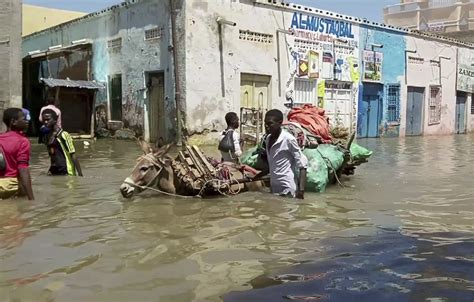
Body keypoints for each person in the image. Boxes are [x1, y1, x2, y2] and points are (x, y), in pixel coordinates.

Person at [255, 109, 307, 199]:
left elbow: (302, 166)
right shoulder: (268, 139)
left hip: (287, 188)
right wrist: (256, 176)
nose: (266, 126)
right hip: (274, 188)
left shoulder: (288, 140)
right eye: (265, 123)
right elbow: (272, 164)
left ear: (279, 123)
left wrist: (301, 191)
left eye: (270, 124)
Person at [0, 108, 34, 200]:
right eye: (23, 119)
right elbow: (23, 170)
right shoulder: (22, 141)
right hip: (11, 186)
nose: (26, 121)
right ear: (13, 122)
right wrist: (31, 198)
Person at [41, 109, 83, 176]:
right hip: (55, 171)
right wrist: (51, 169)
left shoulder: (63, 135)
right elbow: (52, 155)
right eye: (44, 120)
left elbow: (73, 155)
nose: (45, 122)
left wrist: (80, 174)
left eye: (48, 119)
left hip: (66, 172)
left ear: (55, 120)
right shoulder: (47, 136)